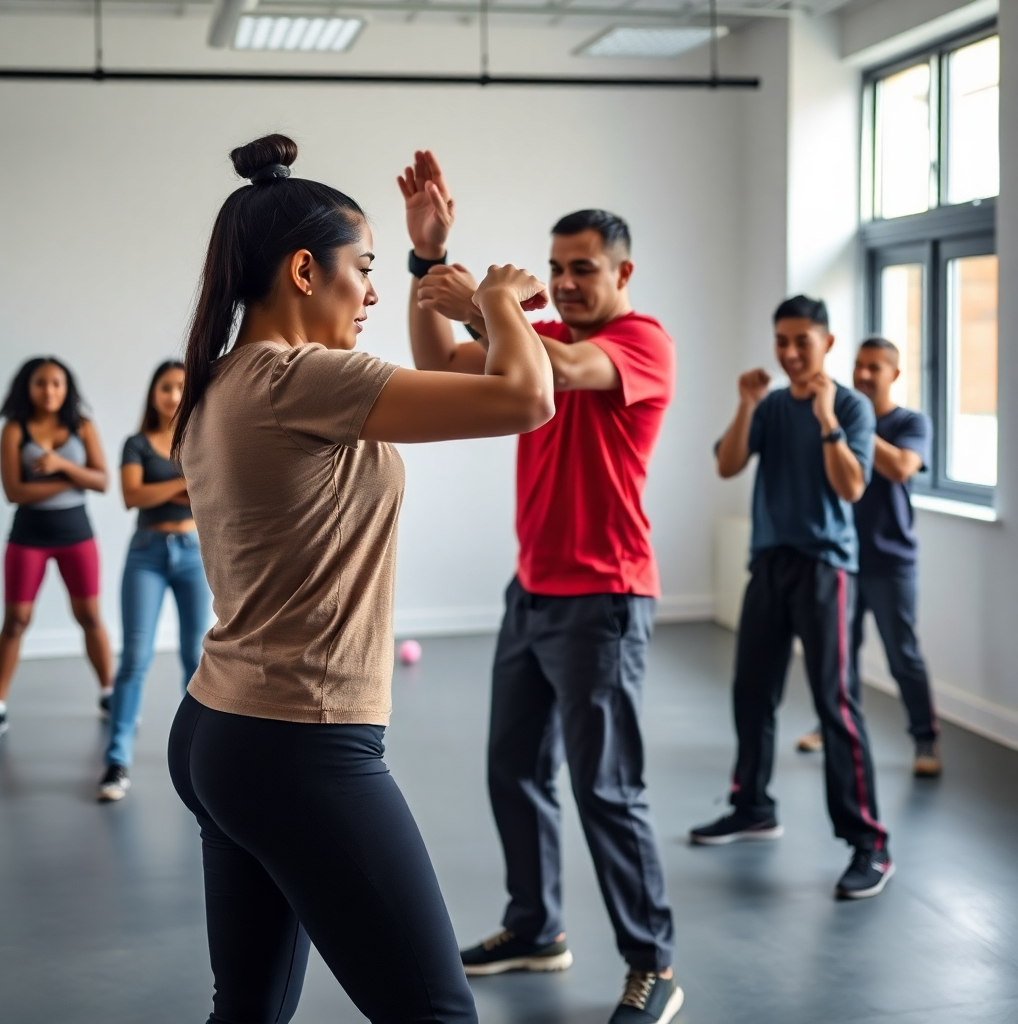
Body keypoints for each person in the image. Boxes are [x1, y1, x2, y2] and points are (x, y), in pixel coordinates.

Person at [166, 133, 554, 1024]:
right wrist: (498, 299)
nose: (375, 291)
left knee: (250, 1011)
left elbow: (430, 378)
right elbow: (525, 399)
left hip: (221, 728)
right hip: (300, 744)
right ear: (305, 271)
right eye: (365, 268)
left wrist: (430, 261)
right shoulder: (302, 379)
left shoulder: (227, 378)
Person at [398, 151, 681, 1024]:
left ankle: (653, 963)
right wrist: (424, 263)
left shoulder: (639, 343)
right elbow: (442, 363)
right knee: (513, 771)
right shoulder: (541, 334)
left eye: (581, 269)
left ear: (622, 272)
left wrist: (494, 302)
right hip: (533, 592)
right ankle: (536, 929)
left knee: (607, 789)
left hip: (605, 598)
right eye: (554, 270)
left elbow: (555, 374)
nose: (562, 284)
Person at [691, 296, 894, 901]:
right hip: (770, 564)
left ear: (826, 343)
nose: (787, 352)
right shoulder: (773, 404)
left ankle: (870, 844)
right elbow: (728, 465)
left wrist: (829, 417)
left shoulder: (853, 407)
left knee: (836, 705)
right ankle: (751, 805)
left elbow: (852, 487)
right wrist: (747, 403)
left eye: (800, 341)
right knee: (751, 693)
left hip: (826, 568)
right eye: (780, 340)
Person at [795, 337, 939, 776]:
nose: (862, 375)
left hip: (892, 562)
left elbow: (899, 468)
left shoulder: (911, 423)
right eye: (858, 366)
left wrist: (848, 426)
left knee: (903, 656)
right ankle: (830, 724)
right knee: (838, 653)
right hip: (843, 558)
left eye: (874, 368)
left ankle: (925, 741)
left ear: (894, 373)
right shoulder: (837, 422)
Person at [98, 361, 211, 802]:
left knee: (195, 661)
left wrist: (162, 486)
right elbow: (132, 496)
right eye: (166, 387)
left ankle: (198, 764)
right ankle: (116, 762)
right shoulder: (135, 443)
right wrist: (181, 483)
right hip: (146, 554)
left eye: (182, 387)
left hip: (193, 555)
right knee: (135, 659)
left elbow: (210, 493)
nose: (174, 395)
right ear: (153, 394)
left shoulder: (200, 437)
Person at [0, 357, 112, 740]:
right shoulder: (14, 430)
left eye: (57, 383)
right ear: (27, 387)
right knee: (15, 621)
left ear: (67, 388)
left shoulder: (83, 426)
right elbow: (15, 492)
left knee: (90, 617)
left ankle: (110, 694)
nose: (49, 390)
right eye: (41, 383)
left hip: (77, 536)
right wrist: (72, 479)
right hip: (27, 537)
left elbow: (101, 480)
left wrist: (61, 465)